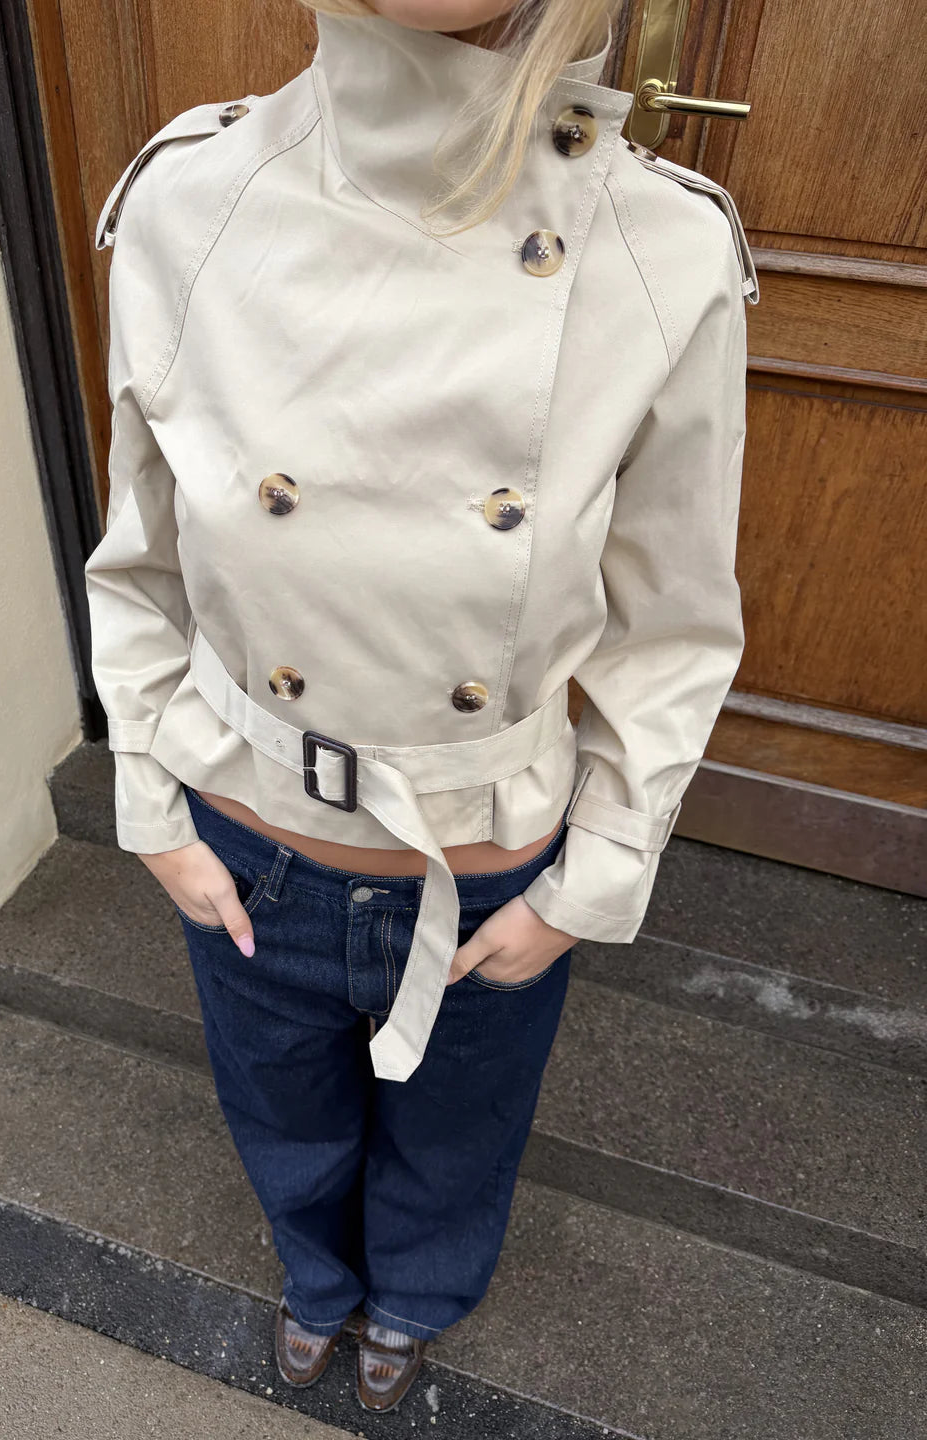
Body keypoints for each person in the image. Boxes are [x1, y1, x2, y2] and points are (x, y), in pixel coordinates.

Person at [84, 0, 756, 1413]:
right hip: (246, 847)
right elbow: (138, 560)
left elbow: (672, 630)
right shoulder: (188, 200)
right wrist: (152, 803)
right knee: (280, 1116)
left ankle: (415, 1298)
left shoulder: (662, 247)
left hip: (490, 867)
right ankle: (318, 1282)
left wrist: (590, 881)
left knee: (460, 1136)